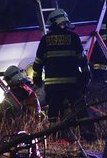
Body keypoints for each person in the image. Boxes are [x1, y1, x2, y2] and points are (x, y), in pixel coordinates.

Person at [31, 9, 91, 137]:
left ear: (54, 23)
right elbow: (82, 61)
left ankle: (55, 136)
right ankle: (88, 134)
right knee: (81, 110)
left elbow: (38, 63)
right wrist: (86, 77)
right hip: (73, 84)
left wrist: (37, 79)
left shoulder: (45, 40)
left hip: (53, 86)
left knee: (54, 113)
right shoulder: (74, 38)